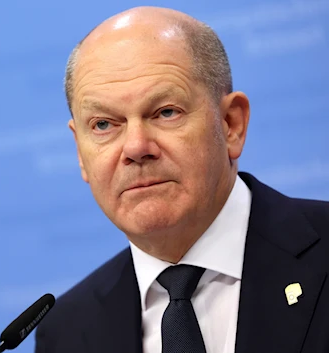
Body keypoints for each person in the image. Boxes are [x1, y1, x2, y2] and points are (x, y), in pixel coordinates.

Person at [34, 6, 329, 353]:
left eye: (166, 112)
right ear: (81, 153)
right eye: (103, 124)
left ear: (231, 124)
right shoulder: (67, 332)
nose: (136, 148)